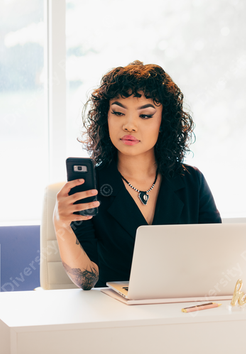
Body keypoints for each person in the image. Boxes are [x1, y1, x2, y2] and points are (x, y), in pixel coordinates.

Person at [53, 61, 221, 290]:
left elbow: (217, 260)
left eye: (145, 115)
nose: (129, 125)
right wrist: (60, 224)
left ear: (164, 121)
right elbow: (87, 279)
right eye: (118, 112)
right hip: (113, 314)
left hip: (179, 308)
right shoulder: (90, 188)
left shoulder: (191, 182)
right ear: (106, 118)